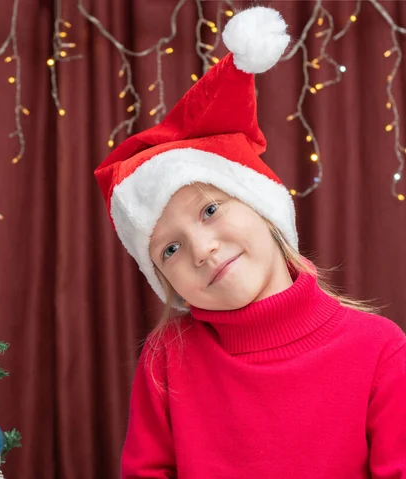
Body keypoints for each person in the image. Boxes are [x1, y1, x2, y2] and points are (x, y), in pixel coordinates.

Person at [94, 6, 406, 479]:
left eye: (210, 210)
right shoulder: (167, 360)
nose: (201, 249)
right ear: (164, 280)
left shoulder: (380, 350)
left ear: (264, 207)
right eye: (170, 250)